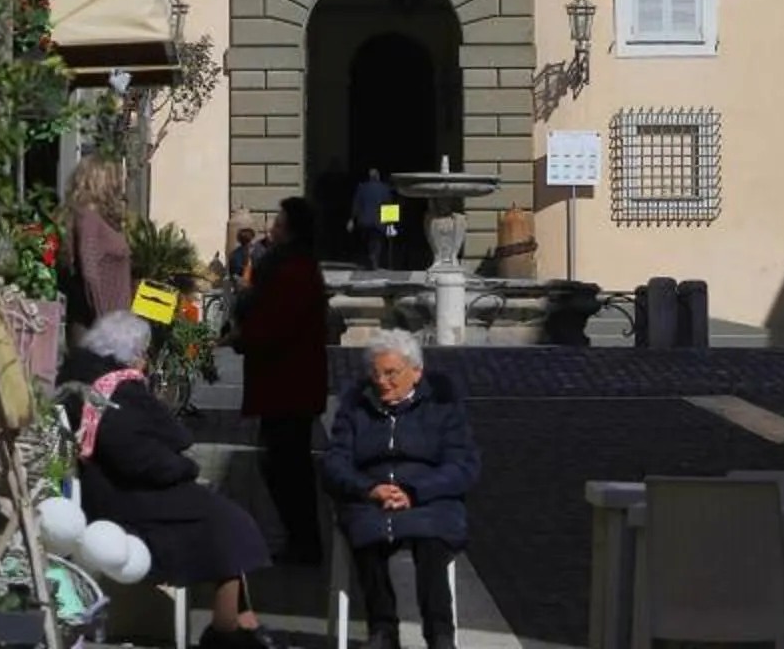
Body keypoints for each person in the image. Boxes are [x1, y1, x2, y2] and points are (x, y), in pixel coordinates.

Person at [61, 311, 277, 649]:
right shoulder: (117, 387)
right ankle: (227, 630)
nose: (146, 359)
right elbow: (147, 450)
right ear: (130, 351)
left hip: (115, 488)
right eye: (144, 351)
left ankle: (237, 623)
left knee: (225, 517)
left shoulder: (90, 375)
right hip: (125, 499)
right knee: (230, 522)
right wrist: (186, 469)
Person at [320, 330, 479, 649]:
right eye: (376, 373)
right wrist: (369, 489)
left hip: (428, 497)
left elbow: (463, 465)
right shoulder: (356, 403)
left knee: (432, 543)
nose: (382, 381)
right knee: (366, 536)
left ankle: (440, 634)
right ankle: (382, 630)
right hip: (370, 494)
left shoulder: (441, 401)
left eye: (391, 373)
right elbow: (335, 462)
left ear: (416, 372)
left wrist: (413, 491)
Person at [233, 195, 335, 565]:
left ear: (290, 230)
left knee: (286, 466)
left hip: (289, 382)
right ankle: (299, 539)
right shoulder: (289, 265)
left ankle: (304, 543)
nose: (270, 228)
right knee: (282, 462)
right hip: (286, 382)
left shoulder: (294, 269)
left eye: (277, 222)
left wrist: (244, 334)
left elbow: (278, 323)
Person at [63, 159, 134, 341]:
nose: (119, 185)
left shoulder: (102, 220)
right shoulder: (88, 218)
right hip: (98, 327)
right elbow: (89, 270)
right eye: (114, 178)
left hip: (113, 322)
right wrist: (104, 321)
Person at [350, 170, 396, 269]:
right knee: (377, 242)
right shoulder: (385, 188)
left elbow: (356, 204)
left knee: (367, 241)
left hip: (364, 220)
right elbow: (389, 205)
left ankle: (369, 260)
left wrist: (352, 219)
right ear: (378, 177)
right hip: (379, 221)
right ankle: (374, 260)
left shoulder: (362, 187)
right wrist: (391, 224)